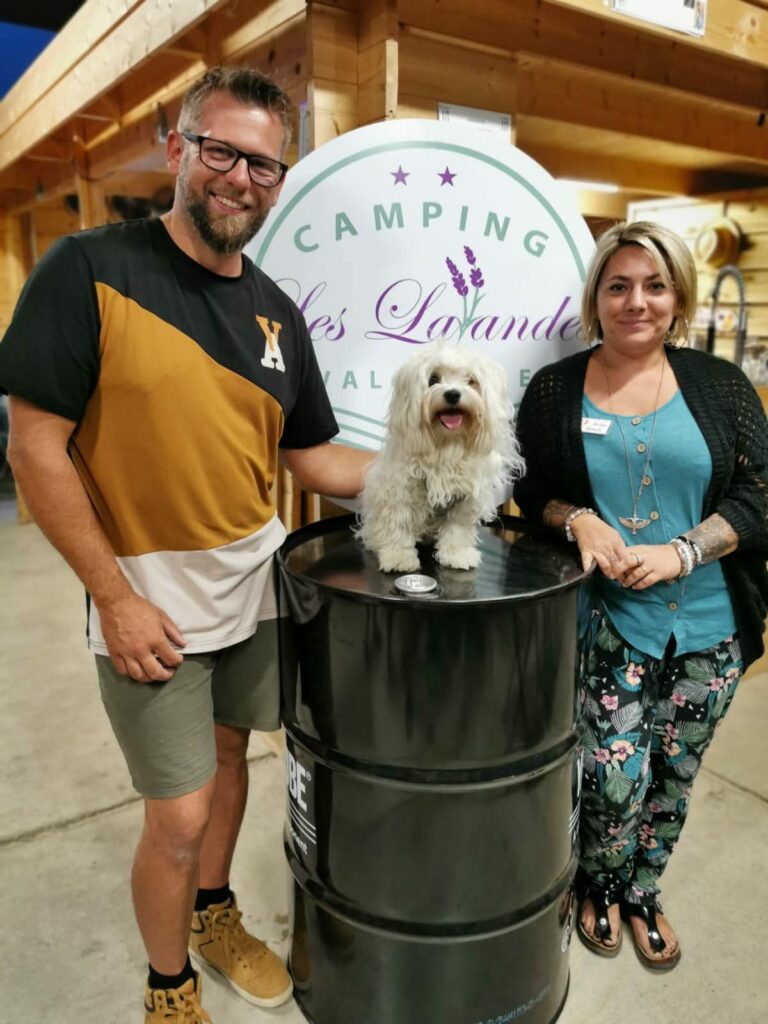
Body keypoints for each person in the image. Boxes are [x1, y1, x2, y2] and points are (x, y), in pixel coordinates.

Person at [0, 66, 372, 1023]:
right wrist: (114, 599)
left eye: (263, 164)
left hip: (253, 590)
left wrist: (433, 471)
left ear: (279, 179)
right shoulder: (88, 270)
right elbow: (35, 447)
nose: (240, 178)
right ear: (179, 148)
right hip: (147, 603)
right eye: (221, 152)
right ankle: (168, 991)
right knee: (178, 813)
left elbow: (313, 458)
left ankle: (214, 915)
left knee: (231, 766)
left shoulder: (279, 313)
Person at [513, 220, 768, 971]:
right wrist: (579, 519)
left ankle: (642, 891)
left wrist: (682, 551)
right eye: (618, 285)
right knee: (610, 775)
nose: (637, 301)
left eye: (655, 285)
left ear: (678, 296)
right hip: (610, 622)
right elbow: (530, 491)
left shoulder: (721, 386)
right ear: (596, 297)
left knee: (675, 774)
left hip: (711, 626)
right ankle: (598, 883)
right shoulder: (555, 390)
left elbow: (761, 494)